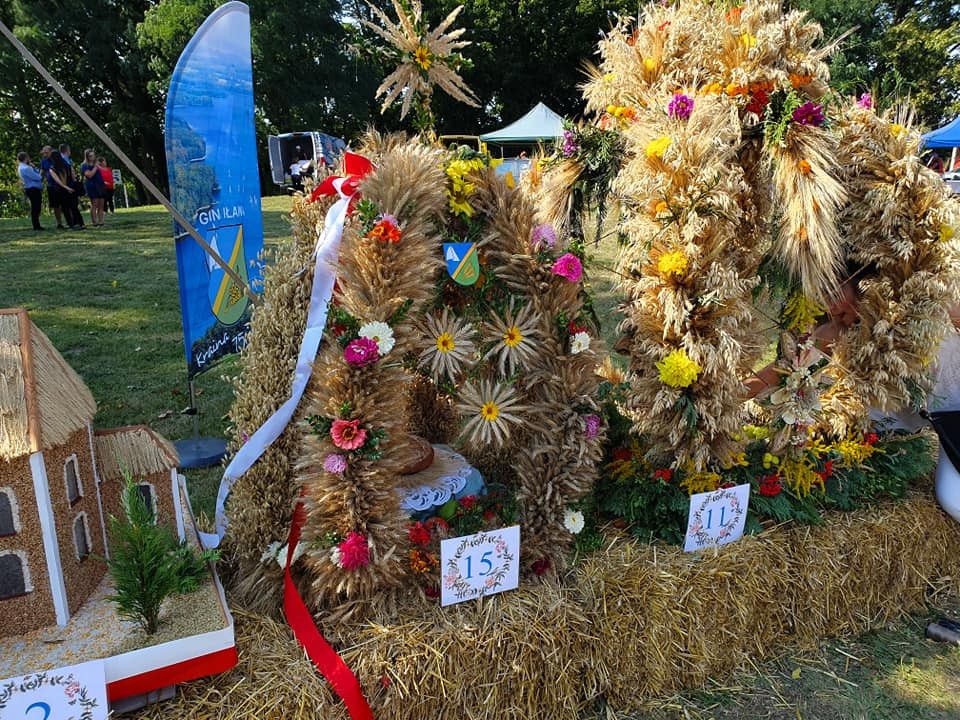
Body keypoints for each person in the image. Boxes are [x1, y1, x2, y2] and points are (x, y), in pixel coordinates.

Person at [48, 144, 84, 230]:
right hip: (71, 187)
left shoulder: (52, 169)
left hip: (61, 190)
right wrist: (72, 186)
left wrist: (66, 188)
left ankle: (71, 224)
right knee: (74, 207)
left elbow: (58, 181)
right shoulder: (68, 165)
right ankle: (80, 223)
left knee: (65, 208)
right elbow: (73, 176)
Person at [17, 152, 44, 231]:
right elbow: (38, 177)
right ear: (26, 158)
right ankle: (36, 225)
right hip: (33, 189)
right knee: (36, 207)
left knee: (35, 207)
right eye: (28, 157)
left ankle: (36, 224)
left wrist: (33, 167)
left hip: (29, 188)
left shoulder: (20, 167)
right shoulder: (26, 168)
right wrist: (35, 168)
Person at [39, 145, 64, 229]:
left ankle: (71, 221)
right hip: (51, 186)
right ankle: (59, 223)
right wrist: (39, 182)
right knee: (56, 205)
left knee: (65, 204)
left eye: (46, 152)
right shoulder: (43, 161)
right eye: (43, 152)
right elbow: (42, 173)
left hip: (62, 184)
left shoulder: (58, 159)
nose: (44, 154)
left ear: (50, 151)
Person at [80, 148, 105, 226]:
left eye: (93, 155)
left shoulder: (96, 164)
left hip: (100, 185)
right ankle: (94, 222)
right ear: (87, 157)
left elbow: (104, 169)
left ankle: (101, 221)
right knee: (95, 204)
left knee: (101, 204)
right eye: (90, 156)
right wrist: (96, 167)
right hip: (92, 186)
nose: (93, 157)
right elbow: (89, 175)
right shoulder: (84, 165)